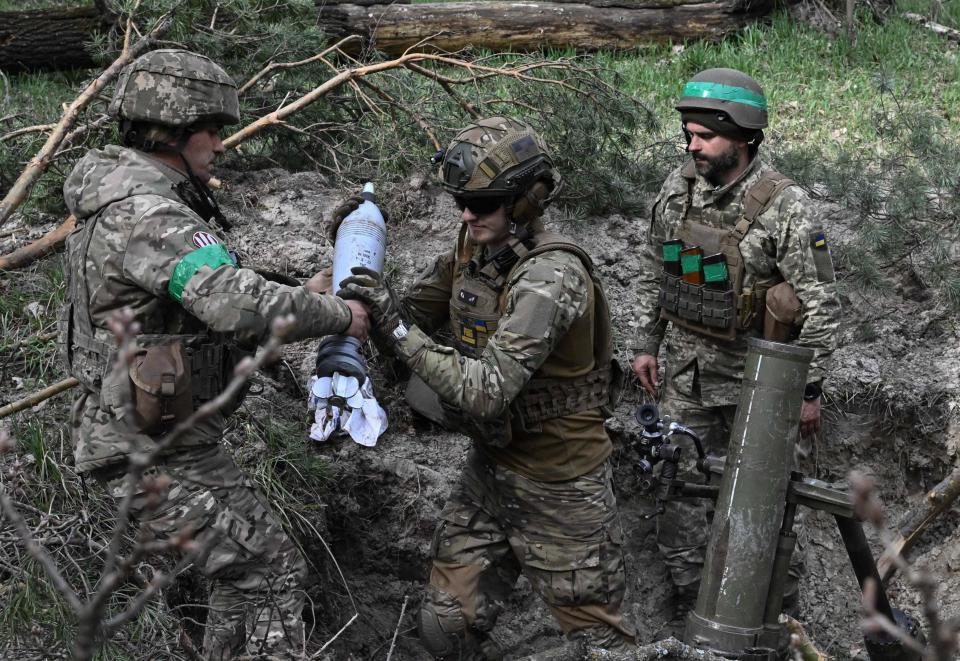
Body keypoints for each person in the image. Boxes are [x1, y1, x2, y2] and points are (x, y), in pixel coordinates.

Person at [59, 49, 369, 659]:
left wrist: (295, 295)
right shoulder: (151, 214)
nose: (221, 146)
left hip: (158, 443)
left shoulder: (125, 201)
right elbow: (232, 306)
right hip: (143, 454)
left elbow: (195, 309)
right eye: (214, 131)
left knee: (250, 575)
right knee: (268, 571)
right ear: (176, 131)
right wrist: (339, 315)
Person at [338, 117, 636, 657]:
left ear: (525, 203)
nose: (467, 214)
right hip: (493, 469)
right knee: (444, 627)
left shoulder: (552, 277)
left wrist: (396, 328)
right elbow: (406, 316)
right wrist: (357, 284)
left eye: (483, 204)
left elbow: (485, 390)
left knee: (599, 644)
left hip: (561, 484)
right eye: (462, 202)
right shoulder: (474, 244)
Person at [630, 68, 842, 629]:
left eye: (704, 135)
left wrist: (809, 389)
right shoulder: (677, 190)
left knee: (767, 512)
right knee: (678, 498)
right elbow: (658, 272)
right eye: (688, 133)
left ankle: (776, 624)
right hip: (688, 377)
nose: (691, 145)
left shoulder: (786, 206)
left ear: (743, 136)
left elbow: (822, 304)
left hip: (762, 388)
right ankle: (688, 614)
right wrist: (645, 345)